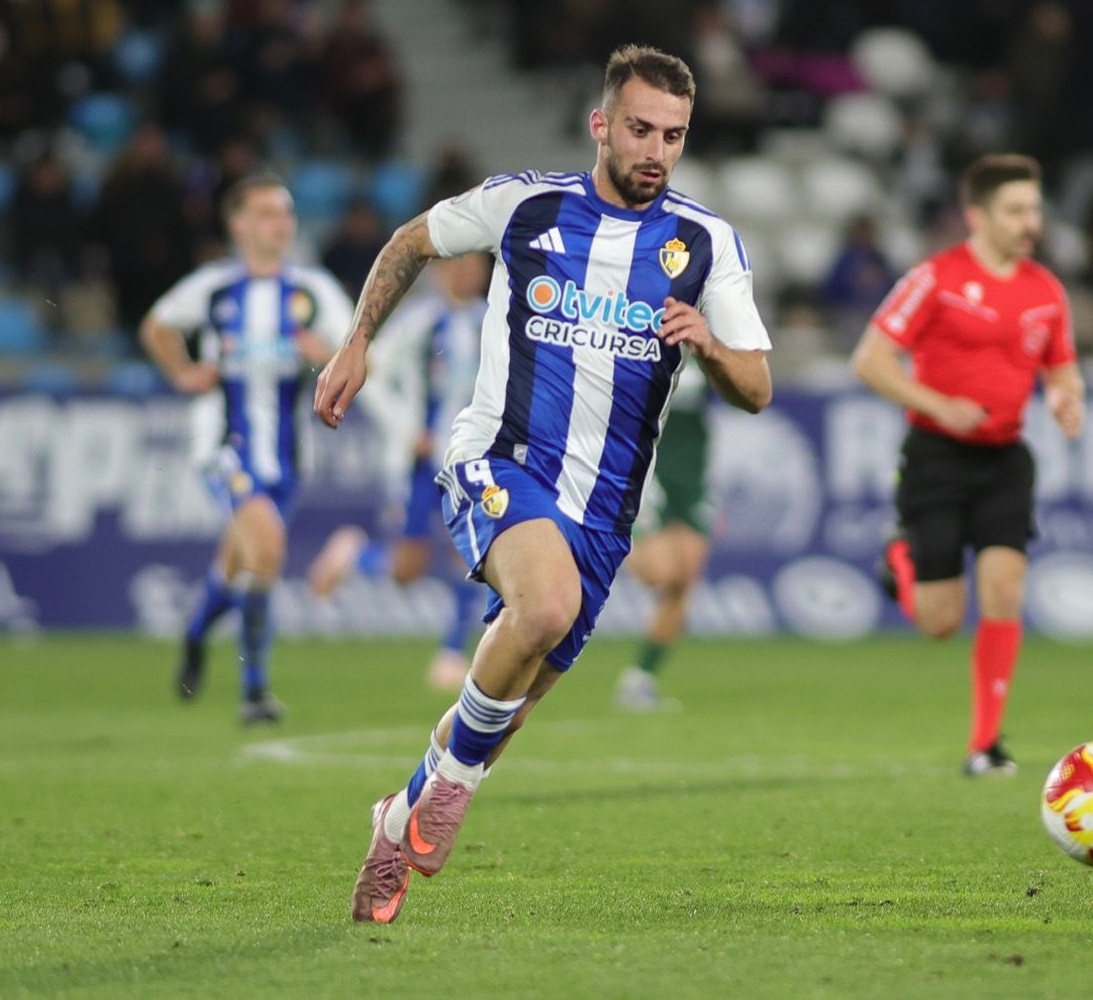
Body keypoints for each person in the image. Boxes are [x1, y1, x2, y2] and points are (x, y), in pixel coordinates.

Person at [314, 45, 773, 924]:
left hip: (603, 514)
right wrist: (357, 339)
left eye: (673, 136)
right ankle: (448, 794)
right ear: (602, 124)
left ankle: (398, 818)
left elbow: (757, 386)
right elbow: (413, 240)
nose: (655, 150)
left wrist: (710, 347)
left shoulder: (705, 245)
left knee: (507, 704)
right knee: (546, 608)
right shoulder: (527, 205)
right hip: (500, 459)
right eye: (639, 128)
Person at [851, 153, 1085, 778]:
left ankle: (985, 745)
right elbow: (871, 360)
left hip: (1006, 457)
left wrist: (1067, 399)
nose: (1029, 221)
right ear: (976, 216)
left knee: (1005, 589)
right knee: (939, 621)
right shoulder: (936, 277)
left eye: (1033, 209)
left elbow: (1062, 369)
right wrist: (939, 406)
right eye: (1015, 210)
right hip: (936, 456)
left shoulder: (1045, 290)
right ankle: (898, 561)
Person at [139, 173, 353, 722]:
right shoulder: (212, 287)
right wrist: (184, 372)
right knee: (266, 549)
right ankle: (254, 691)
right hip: (223, 447)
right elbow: (156, 327)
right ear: (237, 224)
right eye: (264, 213)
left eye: (284, 213)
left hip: (287, 457)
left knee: (241, 565)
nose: (278, 224)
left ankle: (194, 633)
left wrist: (324, 355)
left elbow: (357, 355)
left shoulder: (313, 290)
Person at [307, 254, 492, 693]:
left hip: (466, 458)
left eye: (475, 265)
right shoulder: (420, 321)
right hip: (418, 462)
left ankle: (451, 653)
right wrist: (410, 431)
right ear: (443, 270)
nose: (468, 273)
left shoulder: (492, 319)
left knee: (473, 554)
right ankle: (356, 556)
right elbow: (372, 372)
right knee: (408, 567)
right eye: (459, 264)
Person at [613, 358, 716, 712]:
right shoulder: (640, 344)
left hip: (692, 479)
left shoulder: (707, 353)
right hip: (648, 474)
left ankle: (641, 678)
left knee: (683, 581)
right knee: (659, 573)